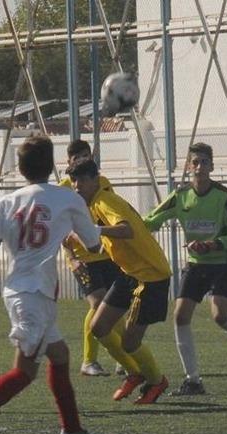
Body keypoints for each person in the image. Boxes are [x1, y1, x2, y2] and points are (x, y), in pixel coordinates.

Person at [0, 135, 112, 434]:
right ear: (51, 166)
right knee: (24, 371)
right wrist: (73, 233)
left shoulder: (4, 203)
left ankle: (72, 430)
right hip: (34, 294)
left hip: (23, 291)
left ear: (20, 168)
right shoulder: (67, 199)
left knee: (60, 356)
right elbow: (94, 245)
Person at [144, 142, 227, 395]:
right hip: (196, 263)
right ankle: (193, 380)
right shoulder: (180, 196)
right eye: (195, 162)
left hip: (223, 261)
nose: (199, 167)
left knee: (219, 315)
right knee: (180, 316)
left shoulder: (224, 196)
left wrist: (212, 244)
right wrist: (124, 227)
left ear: (212, 166)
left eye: (204, 162)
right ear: (188, 166)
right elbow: (151, 220)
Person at [67, 156, 171, 405]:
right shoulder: (92, 204)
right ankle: (135, 374)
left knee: (130, 340)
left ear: (95, 179)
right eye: (73, 181)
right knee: (99, 327)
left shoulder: (104, 200)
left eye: (82, 180)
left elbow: (126, 230)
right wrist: (78, 238)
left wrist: (96, 231)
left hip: (151, 276)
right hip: (129, 274)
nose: (77, 186)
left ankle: (157, 381)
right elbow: (101, 247)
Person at [58, 140, 125, 377]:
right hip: (83, 257)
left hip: (106, 253)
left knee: (115, 305)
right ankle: (89, 361)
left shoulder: (103, 183)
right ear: (69, 162)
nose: (82, 161)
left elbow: (110, 215)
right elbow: (59, 228)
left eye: (86, 156)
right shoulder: (64, 189)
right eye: (77, 158)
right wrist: (72, 257)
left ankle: (123, 356)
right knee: (97, 304)